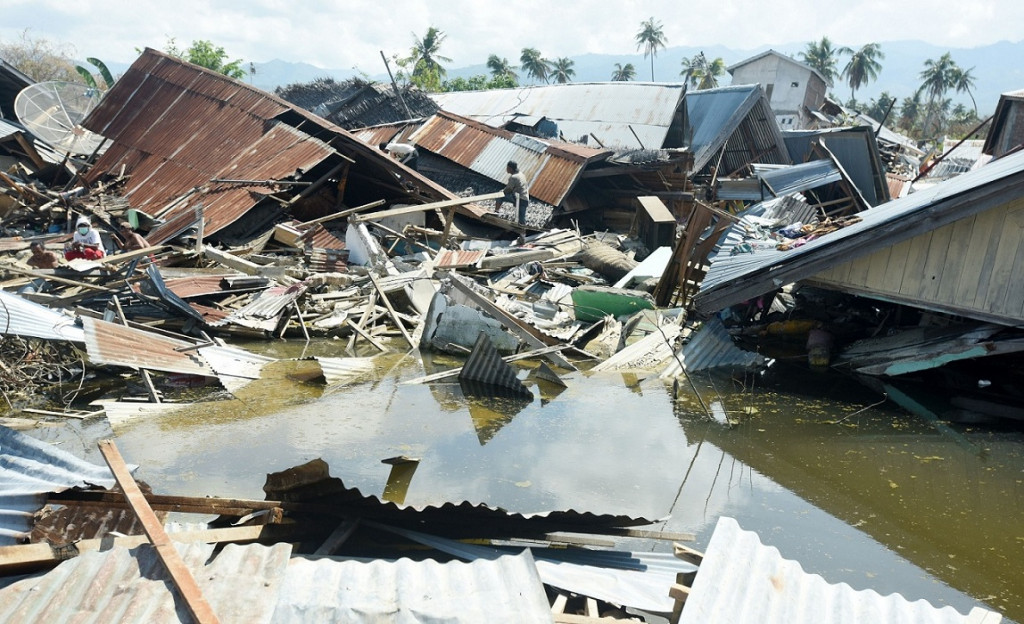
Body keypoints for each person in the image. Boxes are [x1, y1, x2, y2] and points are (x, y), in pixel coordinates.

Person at [496, 161, 530, 243]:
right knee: (522, 219)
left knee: (499, 196)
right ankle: (522, 237)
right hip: (525, 198)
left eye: (507, 168)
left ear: (510, 168)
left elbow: (508, 189)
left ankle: (496, 211)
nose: (506, 169)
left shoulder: (514, 177)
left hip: (518, 198)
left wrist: (501, 192)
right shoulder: (521, 174)